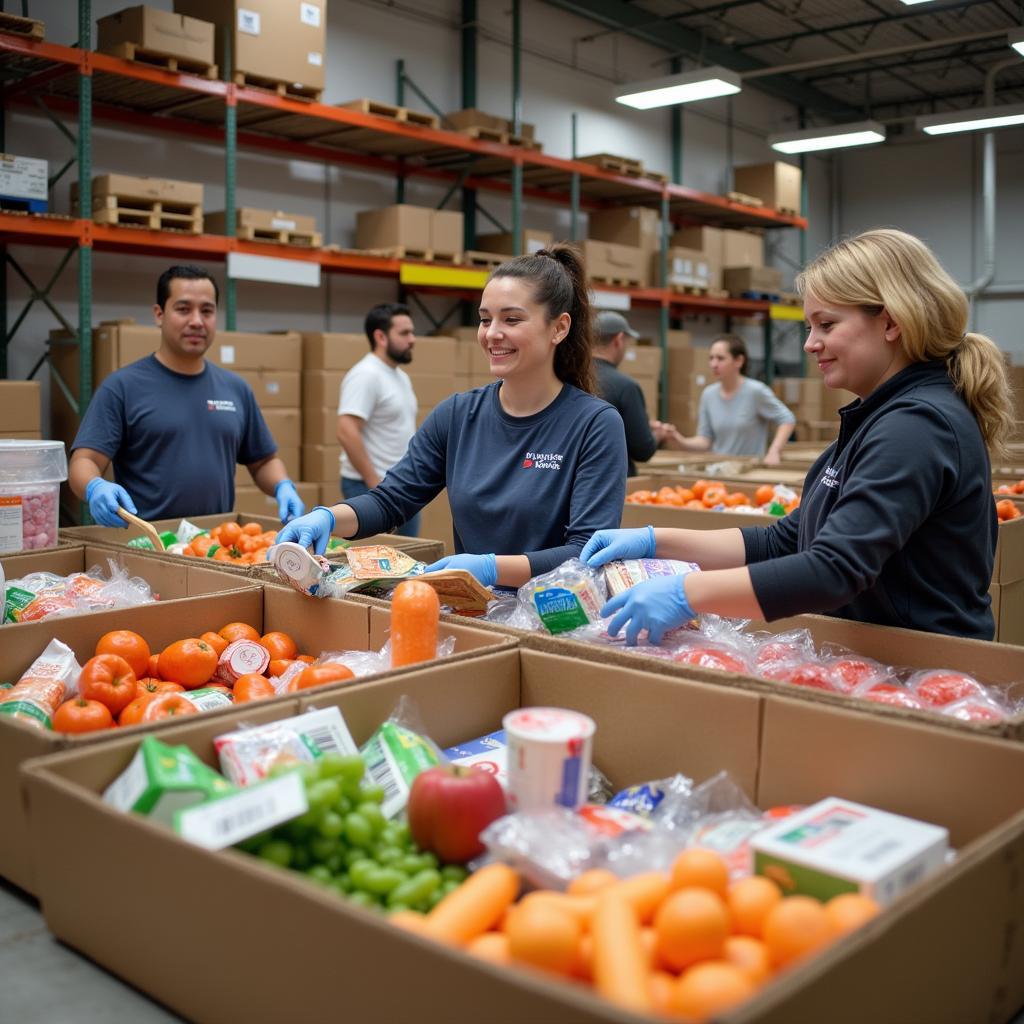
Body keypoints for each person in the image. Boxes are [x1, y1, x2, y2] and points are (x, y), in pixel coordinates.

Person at [581, 228, 1013, 643]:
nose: (809, 344)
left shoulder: (917, 425)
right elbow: (784, 539)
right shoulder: (879, 416)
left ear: (891, 322)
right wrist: (657, 540)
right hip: (883, 661)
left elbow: (834, 569)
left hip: (929, 671)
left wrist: (687, 593)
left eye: (826, 324)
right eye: (810, 326)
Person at [278, 245, 628, 588]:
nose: (492, 333)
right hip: (475, 613)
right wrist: (326, 516)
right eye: (485, 319)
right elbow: (391, 501)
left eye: (512, 319)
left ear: (559, 328)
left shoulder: (594, 424)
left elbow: (587, 552)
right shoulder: (458, 415)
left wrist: (491, 568)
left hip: (557, 617)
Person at [69, 265, 304, 526]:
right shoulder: (123, 387)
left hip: (217, 544)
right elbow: (84, 460)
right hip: (150, 544)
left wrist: (283, 485)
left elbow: (262, 461)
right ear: (159, 314)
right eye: (183, 309)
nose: (196, 321)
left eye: (207, 311)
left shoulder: (235, 388)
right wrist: (94, 487)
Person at [336, 303, 420, 537]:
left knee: (406, 561)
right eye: (404, 333)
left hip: (398, 486)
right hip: (372, 487)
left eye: (412, 332)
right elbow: (346, 430)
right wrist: (376, 485)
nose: (412, 339)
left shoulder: (399, 376)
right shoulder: (366, 375)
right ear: (380, 336)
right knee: (383, 566)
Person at [662, 334, 795, 465]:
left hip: (749, 471)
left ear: (739, 361)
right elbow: (705, 441)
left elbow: (787, 419)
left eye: (720, 358)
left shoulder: (756, 391)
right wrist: (679, 440)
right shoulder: (708, 395)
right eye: (711, 358)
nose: (714, 364)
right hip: (719, 472)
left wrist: (774, 450)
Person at [592, 310, 669, 476]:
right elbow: (642, 450)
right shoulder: (625, 386)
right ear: (619, 340)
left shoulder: (568, 378)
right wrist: (658, 434)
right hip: (611, 483)